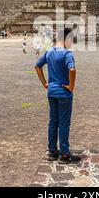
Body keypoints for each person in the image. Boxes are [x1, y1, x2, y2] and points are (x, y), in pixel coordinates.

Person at [35, 28, 81, 164]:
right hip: (64, 93)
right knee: (64, 124)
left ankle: (52, 151)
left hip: (51, 92)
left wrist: (44, 83)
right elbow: (72, 69)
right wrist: (71, 86)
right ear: (66, 39)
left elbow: (38, 66)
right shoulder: (67, 53)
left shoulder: (49, 52)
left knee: (53, 122)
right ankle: (65, 154)